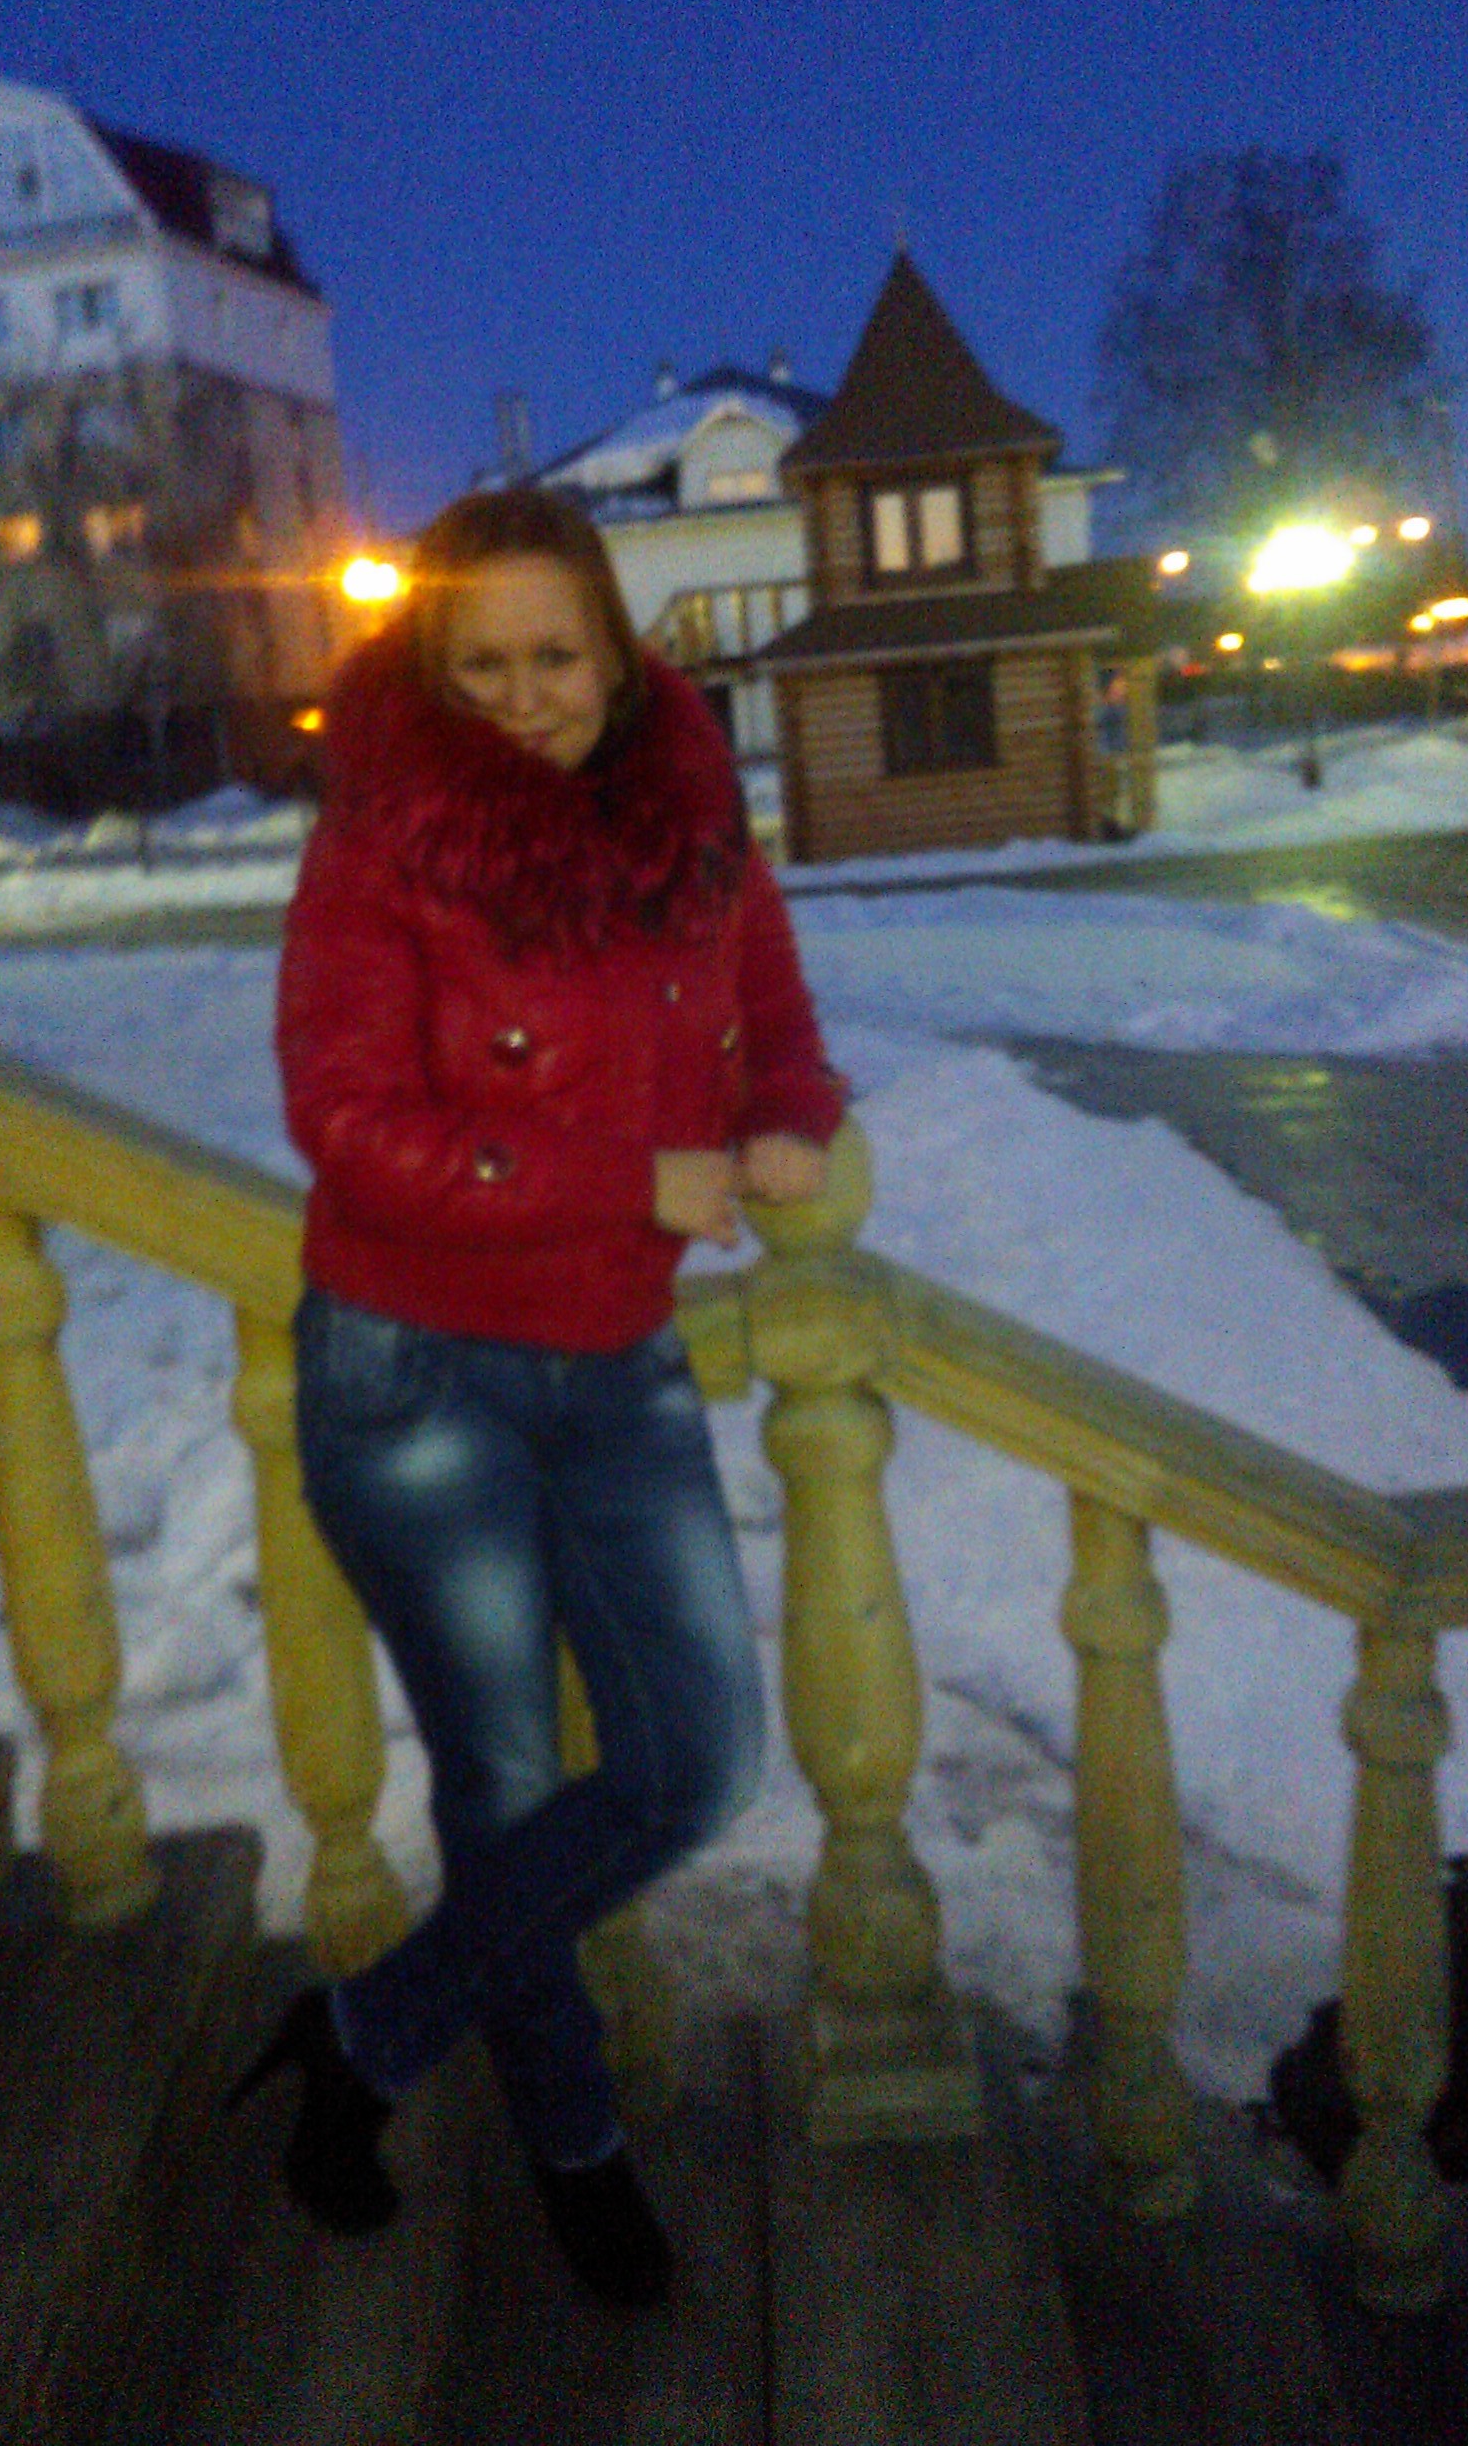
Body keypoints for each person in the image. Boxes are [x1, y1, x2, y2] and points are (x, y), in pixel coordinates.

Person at [229, 486, 847, 2310]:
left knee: (698, 1763)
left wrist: (788, 1112)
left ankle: (364, 2036)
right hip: (417, 1373)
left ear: (618, 643)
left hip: (616, 1364)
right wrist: (631, 1177)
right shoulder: (382, 840)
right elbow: (350, 1125)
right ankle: (575, 2143)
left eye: (555, 655)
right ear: (433, 664)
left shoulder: (691, 801)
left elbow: (772, 1006)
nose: (521, 698)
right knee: (503, 1785)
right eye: (480, 663)